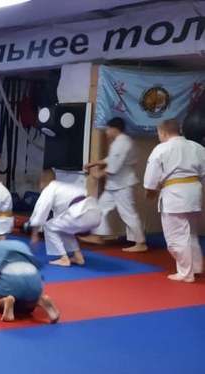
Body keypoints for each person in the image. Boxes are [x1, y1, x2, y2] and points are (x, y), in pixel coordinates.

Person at [142, 119, 205, 282]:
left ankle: (186, 273)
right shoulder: (197, 147)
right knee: (191, 234)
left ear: (163, 132)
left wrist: (150, 189)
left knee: (176, 236)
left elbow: (151, 175)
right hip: (194, 192)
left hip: (174, 194)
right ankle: (195, 267)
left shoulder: (162, 148)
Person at [83, 117, 146, 252]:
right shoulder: (119, 142)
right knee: (100, 207)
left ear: (114, 129)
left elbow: (114, 167)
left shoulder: (122, 143)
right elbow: (111, 159)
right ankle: (98, 236)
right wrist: (95, 163)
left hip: (123, 185)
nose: (106, 132)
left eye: (108, 129)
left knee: (128, 213)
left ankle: (140, 243)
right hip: (114, 186)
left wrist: (97, 175)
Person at [27, 169, 103, 267]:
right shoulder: (66, 187)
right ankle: (78, 256)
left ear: (42, 181)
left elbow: (40, 211)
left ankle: (64, 258)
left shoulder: (50, 189)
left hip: (81, 214)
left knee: (49, 227)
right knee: (63, 227)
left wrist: (34, 234)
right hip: (96, 214)